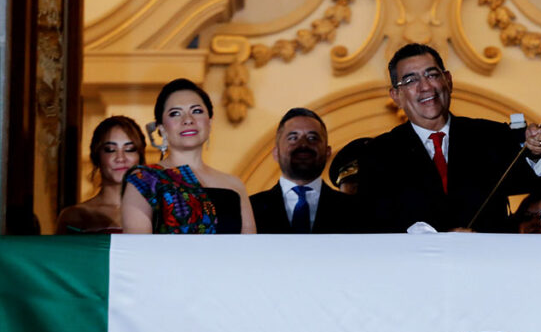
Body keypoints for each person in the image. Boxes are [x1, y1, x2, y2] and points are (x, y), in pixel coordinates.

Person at [358, 43, 541, 233]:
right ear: (396, 96)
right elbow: (375, 225)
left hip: (487, 261)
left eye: (432, 75)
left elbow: (535, 181)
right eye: (411, 81)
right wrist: (442, 240)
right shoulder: (378, 154)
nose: (425, 86)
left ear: (448, 81)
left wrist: (535, 152)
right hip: (417, 264)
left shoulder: (490, 136)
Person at [121, 78, 256, 234]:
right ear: (161, 128)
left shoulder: (235, 185)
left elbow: (250, 251)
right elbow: (137, 252)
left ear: (210, 122)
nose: (188, 120)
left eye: (197, 111)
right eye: (175, 113)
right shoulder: (144, 180)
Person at [249, 107, 357, 233]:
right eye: (293, 138)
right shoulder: (249, 209)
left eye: (312, 138)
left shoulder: (355, 210)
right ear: (276, 153)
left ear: (328, 152)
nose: (303, 144)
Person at [56, 116, 146, 234]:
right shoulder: (75, 216)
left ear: (140, 157)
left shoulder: (159, 213)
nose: (120, 158)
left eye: (129, 149)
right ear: (96, 157)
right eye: (110, 149)